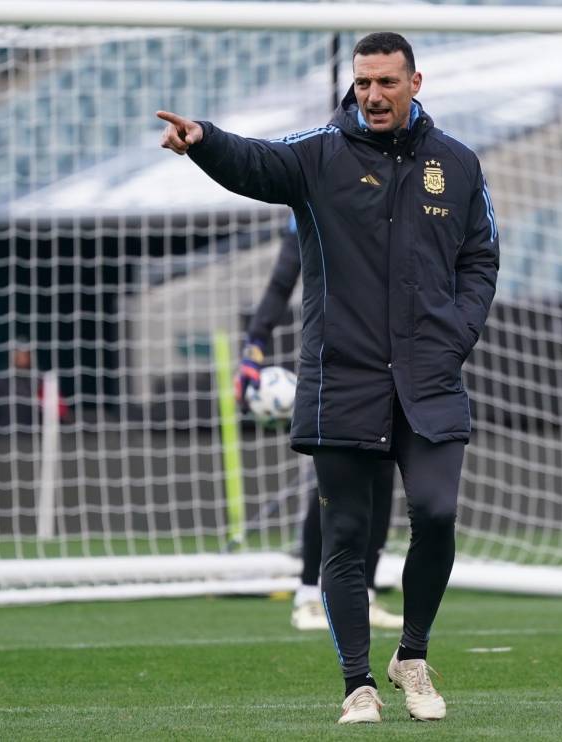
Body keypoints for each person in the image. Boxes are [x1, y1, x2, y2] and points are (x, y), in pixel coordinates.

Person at [158, 31, 498, 724]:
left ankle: (412, 655)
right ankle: (357, 685)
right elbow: (258, 164)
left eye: (387, 83)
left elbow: (480, 257)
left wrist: (457, 333)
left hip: (428, 378)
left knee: (435, 514)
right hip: (343, 379)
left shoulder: (457, 165)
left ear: (415, 83)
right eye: (363, 82)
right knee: (346, 535)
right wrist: (205, 141)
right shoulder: (320, 154)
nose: (373, 94)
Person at [235, 214, 403, 632]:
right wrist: (255, 343)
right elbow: (281, 280)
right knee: (335, 472)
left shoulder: (389, 199)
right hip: (334, 357)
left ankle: (364, 594)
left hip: (385, 354)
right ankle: (309, 594)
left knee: (383, 469)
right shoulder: (314, 202)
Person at [0, 338, 70, 428]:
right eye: (18, 353)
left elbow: (57, 408)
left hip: (34, 431)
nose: (22, 357)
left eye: (25, 354)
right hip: (5, 431)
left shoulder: (40, 378)